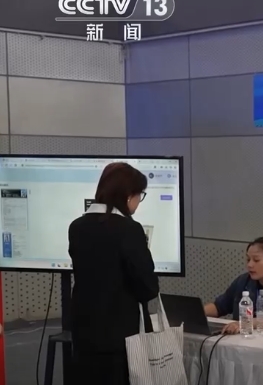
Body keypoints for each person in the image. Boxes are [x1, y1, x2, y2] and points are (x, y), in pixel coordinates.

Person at [69, 162, 159, 385]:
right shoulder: (129, 229)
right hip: (119, 338)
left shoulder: (77, 226)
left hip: (84, 333)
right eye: (140, 195)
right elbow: (147, 287)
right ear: (128, 196)